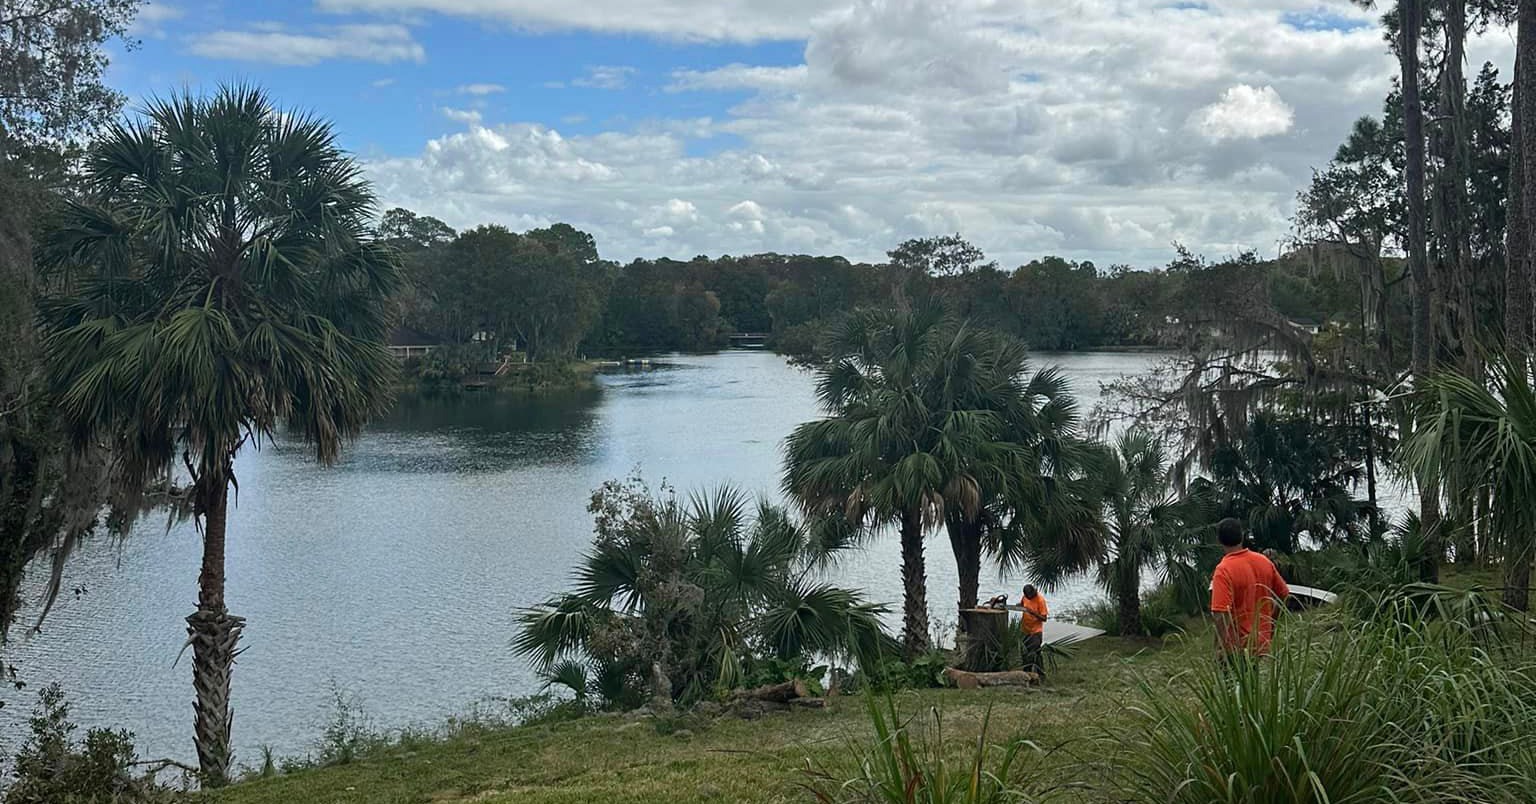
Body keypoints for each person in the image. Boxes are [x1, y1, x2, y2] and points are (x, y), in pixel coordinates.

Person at [1210, 518, 1289, 669]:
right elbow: (1284, 595)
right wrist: (1272, 624)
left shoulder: (1223, 570)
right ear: (1242, 535)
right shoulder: (1263, 561)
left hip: (1236, 648)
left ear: (1219, 540)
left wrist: (1218, 647)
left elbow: (1221, 614)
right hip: (1261, 643)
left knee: (1234, 690)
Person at [1018, 584, 1048, 676]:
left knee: (1034, 653)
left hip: (1035, 631)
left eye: (1030, 596)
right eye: (1027, 596)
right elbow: (1022, 604)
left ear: (1033, 593)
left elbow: (1044, 618)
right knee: (1025, 653)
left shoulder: (1040, 600)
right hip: (1025, 630)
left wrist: (1033, 613)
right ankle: (1027, 673)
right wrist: (1018, 606)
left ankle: (1038, 673)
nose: (1028, 598)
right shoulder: (1025, 597)